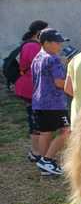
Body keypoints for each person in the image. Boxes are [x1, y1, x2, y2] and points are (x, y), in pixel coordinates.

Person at [31, 29, 71, 176]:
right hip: (54, 103)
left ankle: (45, 165)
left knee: (45, 133)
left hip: (38, 102)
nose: (60, 45)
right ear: (46, 43)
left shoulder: (37, 58)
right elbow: (59, 82)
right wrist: (73, 85)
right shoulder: (53, 59)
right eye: (57, 42)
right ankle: (47, 159)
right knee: (67, 131)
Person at [15, 20, 48, 162]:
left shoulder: (32, 45)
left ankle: (37, 151)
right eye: (46, 31)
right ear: (38, 33)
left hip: (30, 88)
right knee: (36, 122)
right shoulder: (32, 47)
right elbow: (41, 67)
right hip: (32, 89)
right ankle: (36, 153)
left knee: (36, 120)